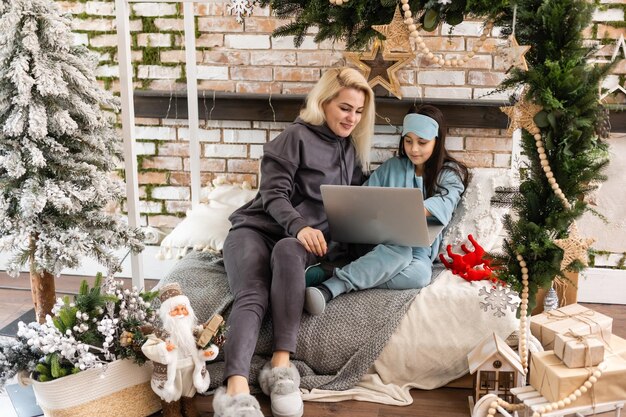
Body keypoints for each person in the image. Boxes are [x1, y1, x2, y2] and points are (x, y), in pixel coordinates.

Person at [212, 67, 375, 417]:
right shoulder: (294, 137)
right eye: (345, 107)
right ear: (325, 101)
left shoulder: (351, 151)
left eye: (359, 111)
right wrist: (300, 226)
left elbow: (348, 207)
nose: (352, 118)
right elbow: (273, 194)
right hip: (256, 231)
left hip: (295, 244)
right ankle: (236, 388)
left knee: (288, 249)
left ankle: (280, 368)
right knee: (253, 291)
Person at [304, 104, 469, 315]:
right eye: (408, 141)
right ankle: (331, 289)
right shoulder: (392, 166)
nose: (414, 149)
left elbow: (446, 204)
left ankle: (331, 274)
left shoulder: (449, 174)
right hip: (378, 241)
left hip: (420, 248)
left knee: (420, 276)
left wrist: (409, 208)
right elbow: (361, 199)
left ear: (437, 141)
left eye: (422, 142)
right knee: (399, 251)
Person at [142, 282, 220, 417]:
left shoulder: (193, 331)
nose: (180, 313)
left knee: (190, 396)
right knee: (171, 398)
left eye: (183, 309)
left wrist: (207, 353)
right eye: (175, 310)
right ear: (167, 313)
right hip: (171, 371)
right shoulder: (160, 333)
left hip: (190, 369)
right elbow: (147, 347)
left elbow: (203, 343)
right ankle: (171, 411)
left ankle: (190, 410)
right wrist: (164, 348)